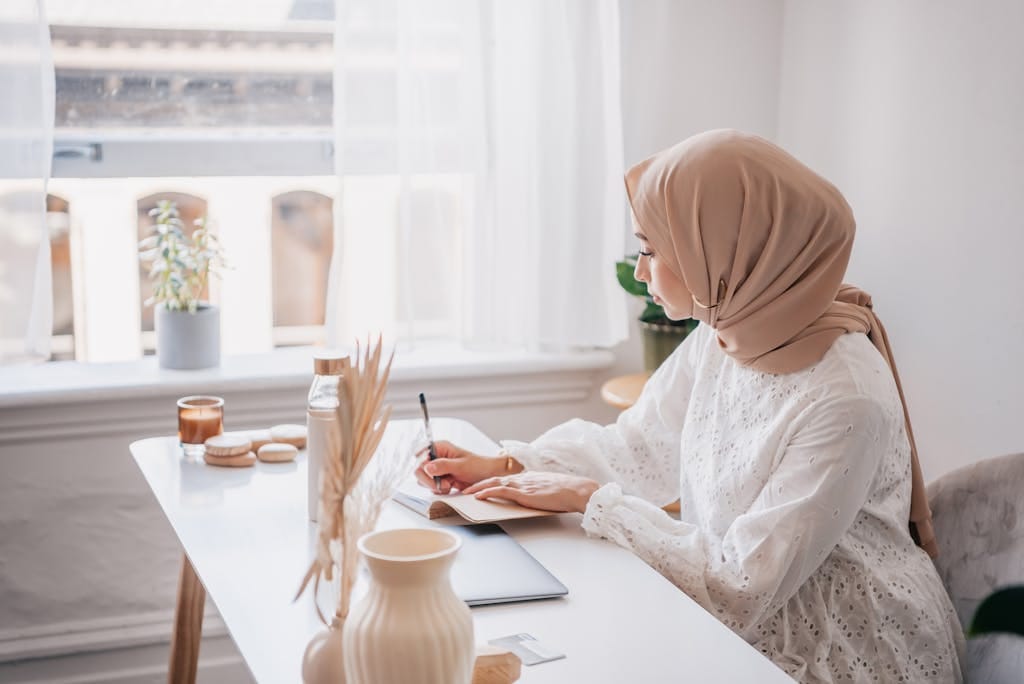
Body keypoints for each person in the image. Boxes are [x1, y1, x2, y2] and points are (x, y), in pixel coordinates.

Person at [415, 130, 965, 682]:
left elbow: (742, 586)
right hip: (737, 613)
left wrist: (589, 499)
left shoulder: (846, 400)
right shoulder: (731, 327)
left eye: (653, 250)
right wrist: (511, 464)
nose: (640, 270)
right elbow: (640, 448)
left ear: (727, 252)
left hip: (844, 648)